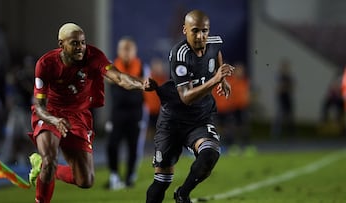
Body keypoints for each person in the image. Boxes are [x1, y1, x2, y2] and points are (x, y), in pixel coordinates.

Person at [28, 23, 156, 203]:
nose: (80, 47)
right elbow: (39, 105)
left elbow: (119, 77)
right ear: (61, 44)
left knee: (85, 180)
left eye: (82, 42)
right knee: (50, 158)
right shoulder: (45, 64)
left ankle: (41, 166)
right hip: (51, 112)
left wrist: (140, 84)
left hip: (78, 115)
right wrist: (54, 120)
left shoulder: (94, 56)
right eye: (74, 43)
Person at [146, 10, 235, 203]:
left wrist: (222, 79)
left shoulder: (213, 42)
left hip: (201, 118)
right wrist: (215, 80)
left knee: (210, 153)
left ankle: (183, 194)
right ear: (184, 30)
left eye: (205, 31)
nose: (201, 36)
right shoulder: (180, 54)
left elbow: (216, 53)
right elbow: (186, 97)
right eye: (195, 31)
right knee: (161, 181)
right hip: (173, 121)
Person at [105, 37, 145, 189]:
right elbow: (138, 83)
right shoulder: (113, 66)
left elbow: (143, 84)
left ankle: (129, 177)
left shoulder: (140, 65)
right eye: (124, 48)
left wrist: (126, 81)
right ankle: (114, 174)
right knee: (112, 144)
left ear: (134, 51)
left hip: (135, 112)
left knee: (133, 146)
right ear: (118, 50)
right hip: (118, 112)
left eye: (129, 49)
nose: (126, 52)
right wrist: (135, 82)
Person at [212, 63, 255, 156]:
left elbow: (246, 94)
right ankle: (230, 146)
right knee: (224, 128)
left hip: (240, 108)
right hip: (227, 108)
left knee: (242, 127)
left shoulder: (244, 81)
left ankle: (246, 146)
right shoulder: (229, 81)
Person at [271, 59, 295, 138]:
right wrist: (284, 87)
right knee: (279, 116)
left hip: (287, 97)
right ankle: (276, 134)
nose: (285, 68)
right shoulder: (279, 76)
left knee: (289, 115)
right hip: (281, 97)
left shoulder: (289, 76)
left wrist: (285, 87)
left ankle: (290, 133)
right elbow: (278, 89)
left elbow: (292, 88)